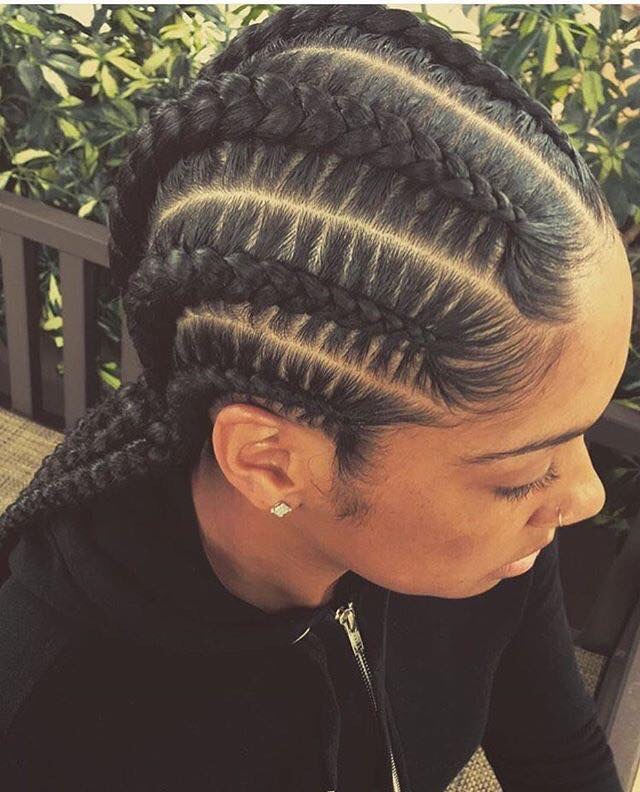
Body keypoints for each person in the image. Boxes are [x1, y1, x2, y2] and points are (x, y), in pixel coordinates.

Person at [0, 4, 633, 791]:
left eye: (576, 435)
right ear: (271, 463)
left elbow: (558, 752)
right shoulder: (53, 728)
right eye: (525, 470)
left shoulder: (497, 539)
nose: (582, 494)